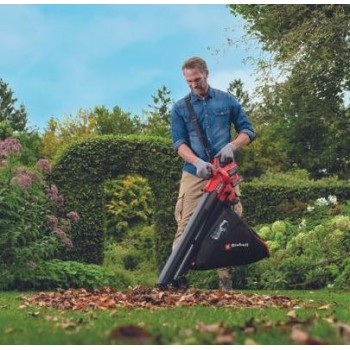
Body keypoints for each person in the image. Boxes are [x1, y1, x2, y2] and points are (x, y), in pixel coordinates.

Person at [170, 56, 256, 290]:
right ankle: (175, 278)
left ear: (206, 73)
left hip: (224, 172)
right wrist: (197, 161)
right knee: (185, 224)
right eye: (188, 82)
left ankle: (225, 283)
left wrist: (232, 146)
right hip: (194, 173)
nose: (193, 85)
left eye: (196, 79)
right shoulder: (179, 108)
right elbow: (179, 143)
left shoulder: (227, 101)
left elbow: (248, 130)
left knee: (227, 223)